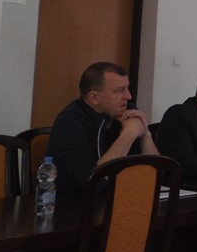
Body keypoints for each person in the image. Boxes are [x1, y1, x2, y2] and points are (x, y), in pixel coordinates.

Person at [45, 61, 158, 192]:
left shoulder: (128, 113)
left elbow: (157, 174)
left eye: (127, 88)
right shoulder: (69, 122)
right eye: (119, 90)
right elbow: (94, 182)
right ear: (94, 98)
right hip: (75, 201)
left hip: (124, 197)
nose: (128, 96)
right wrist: (128, 135)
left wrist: (145, 134)